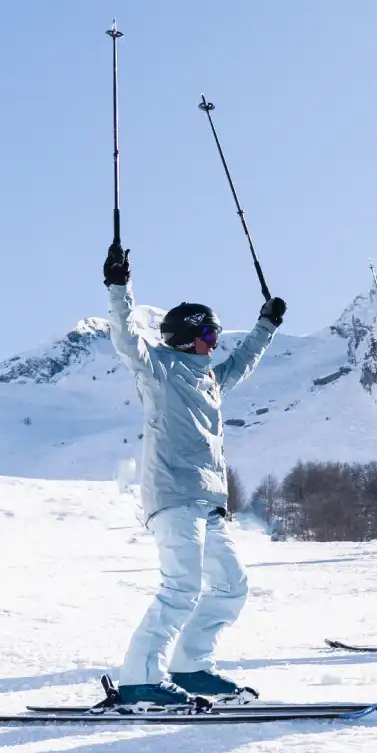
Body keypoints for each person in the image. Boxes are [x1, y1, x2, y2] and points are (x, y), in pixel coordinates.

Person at [101, 240, 283, 706]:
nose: (215, 343)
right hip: (174, 494)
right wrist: (119, 286)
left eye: (217, 335)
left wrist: (267, 324)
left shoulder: (209, 379)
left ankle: (191, 667)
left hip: (209, 501)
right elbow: (125, 338)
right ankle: (139, 678)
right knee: (180, 586)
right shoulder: (159, 370)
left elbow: (241, 364)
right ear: (187, 336)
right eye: (209, 334)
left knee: (230, 585)